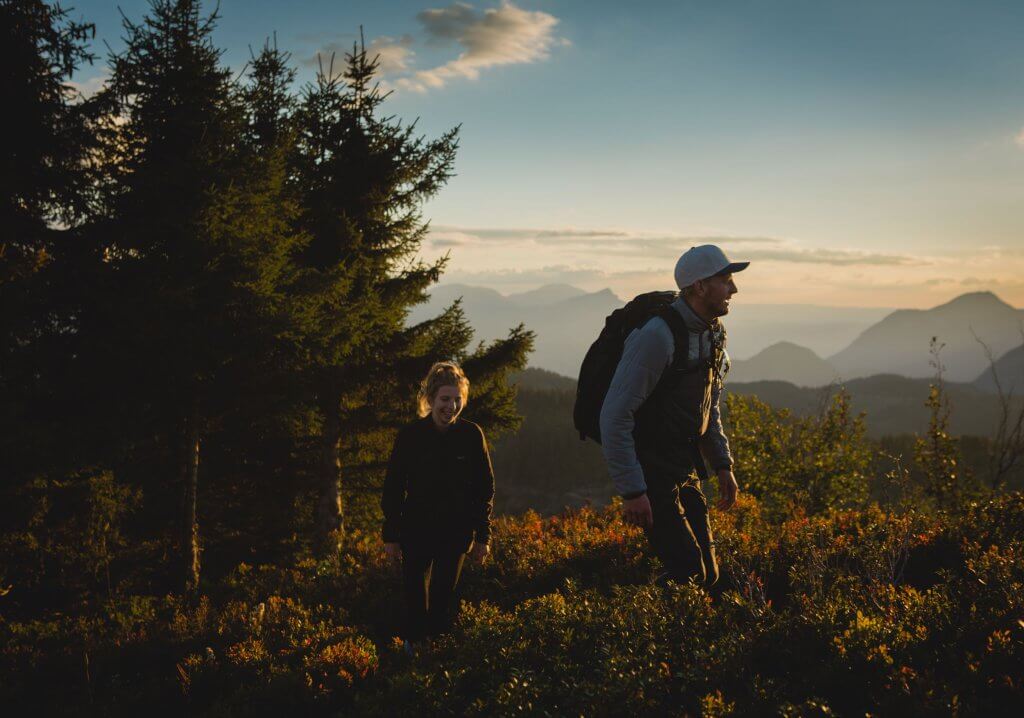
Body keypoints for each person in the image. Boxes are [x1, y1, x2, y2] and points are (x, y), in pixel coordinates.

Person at [599, 244, 747, 587]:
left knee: (709, 574)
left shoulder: (713, 333)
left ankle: (667, 625)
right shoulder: (656, 336)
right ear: (699, 287)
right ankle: (641, 630)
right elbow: (614, 416)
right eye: (725, 280)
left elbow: (708, 404)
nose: (734, 289)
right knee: (689, 573)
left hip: (685, 465)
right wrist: (633, 491)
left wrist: (722, 465)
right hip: (651, 472)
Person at [381, 361, 494, 649]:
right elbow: (393, 488)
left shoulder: (471, 436)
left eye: (458, 400)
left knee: (442, 600)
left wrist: (483, 537)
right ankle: (412, 656)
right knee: (415, 600)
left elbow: (484, 489)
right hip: (415, 531)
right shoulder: (410, 436)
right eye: (445, 399)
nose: (452, 406)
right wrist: (391, 536)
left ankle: (435, 659)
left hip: (455, 533)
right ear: (430, 399)